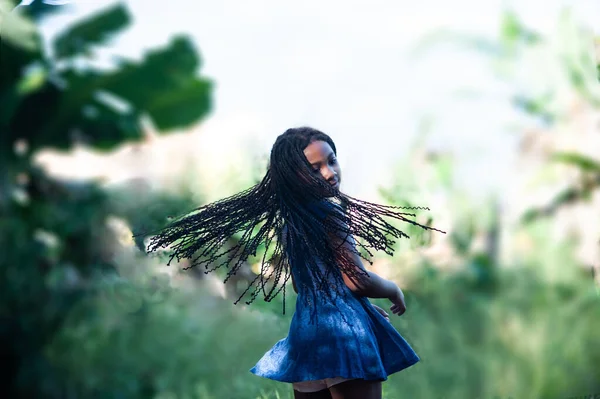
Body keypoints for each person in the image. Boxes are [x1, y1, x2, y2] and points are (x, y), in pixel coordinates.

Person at [141, 126, 446, 399]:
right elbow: (357, 279)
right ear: (294, 176)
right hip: (343, 336)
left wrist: (361, 309)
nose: (329, 172)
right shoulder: (330, 214)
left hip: (307, 334)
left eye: (331, 160)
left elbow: (305, 285)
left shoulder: (290, 224)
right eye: (315, 168)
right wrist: (392, 289)